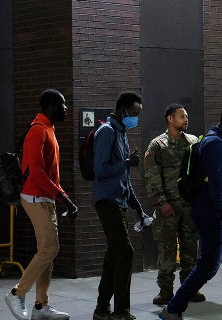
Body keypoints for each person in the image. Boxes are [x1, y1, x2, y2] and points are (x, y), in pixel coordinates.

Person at [159, 102, 222, 320]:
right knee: (208, 267)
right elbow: (216, 187)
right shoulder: (214, 144)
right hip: (214, 218)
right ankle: (172, 309)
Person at [4, 89, 78, 320]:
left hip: (45, 197)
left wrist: (61, 197)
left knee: (47, 252)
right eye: (62, 104)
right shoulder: (38, 131)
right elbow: (36, 173)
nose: (66, 109)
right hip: (35, 197)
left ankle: (40, 307)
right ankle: (17, 293)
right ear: (51, 105)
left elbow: (49, 175)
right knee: (50, 249)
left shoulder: (48, 129)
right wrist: (63, 197)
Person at [143, 103, 205, 305]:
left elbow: (199, 173)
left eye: (186, 116)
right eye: (181, 116)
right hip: (168, 208)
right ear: (170, 119)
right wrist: (161, 202)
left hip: (189, 206)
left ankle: (190, 289)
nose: (186, 120)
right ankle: (166, 291)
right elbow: (152, 176)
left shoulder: (194, 142)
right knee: (167, 250)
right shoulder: (157, 145)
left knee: (190, 251)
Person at [92, 91, 146, 320]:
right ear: (122, 110)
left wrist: (138, 208)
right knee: (125, 251)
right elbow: (101, 171)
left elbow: (124, 178)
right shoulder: (107, 132)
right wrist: (125, 163)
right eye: (134, 114)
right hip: (107, 201)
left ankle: (102, 308)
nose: (136, 119)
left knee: (114, 255)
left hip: (120, 201)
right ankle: (121, 311)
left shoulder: (122, 133)